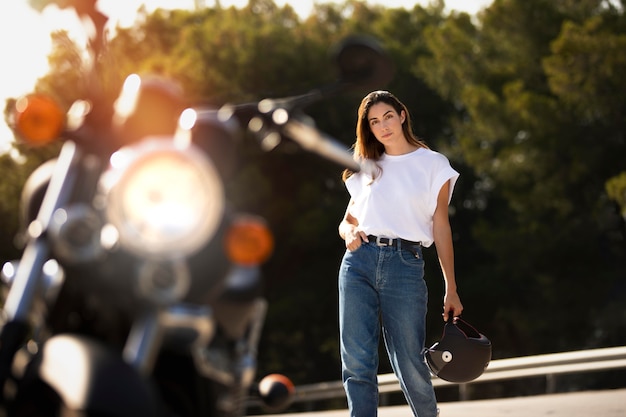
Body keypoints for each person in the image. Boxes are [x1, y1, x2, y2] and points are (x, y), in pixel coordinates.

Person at [337, 90, 463, 417]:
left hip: (405, 265)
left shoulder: (434, 165)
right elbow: (348, 220)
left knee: (409, 359)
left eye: (388, 117)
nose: (383, 127)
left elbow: (441, 228)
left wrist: (451, 287)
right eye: (374, 122)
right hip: (358, 263)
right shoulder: (367, 166)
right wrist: (349, 232)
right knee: (357, 359)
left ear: (402, 115)